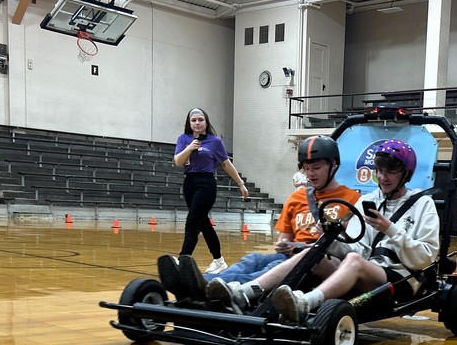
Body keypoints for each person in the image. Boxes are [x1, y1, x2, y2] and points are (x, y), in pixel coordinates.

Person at [207, 139, 440, 322]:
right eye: (379, 171)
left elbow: (425, 258)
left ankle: (304, 303)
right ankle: (245, 292)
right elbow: (357, 249)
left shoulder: (422, 204)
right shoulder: (368, 201)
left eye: (390, 172)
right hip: (366, 269)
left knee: (353, 261)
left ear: (406, 173)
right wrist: (328, 238)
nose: (382, 177)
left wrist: (390, 230)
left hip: (402, 280)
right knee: (313, 253)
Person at [158, 136, 358, 301]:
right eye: (306, 168)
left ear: (333, 165)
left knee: (269, 268)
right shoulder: (297, 197)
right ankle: (198, 282)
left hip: (322, 263)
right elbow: (284, 239)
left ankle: (212, 288)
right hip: (289, 257)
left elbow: (351, 249)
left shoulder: (351, 199)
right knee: (252, 260)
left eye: (316, 168)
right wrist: (284, 245)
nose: (310, 174)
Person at [171, 107, 248, 276]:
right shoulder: (184, 139)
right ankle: (219, 261)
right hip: (189, 183)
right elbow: (178, 161)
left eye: (200, 120)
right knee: (203, 224)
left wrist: (240, 184)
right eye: (194, 120)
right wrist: (190, 148)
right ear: (189, 123)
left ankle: (183, 258)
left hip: (206, 183)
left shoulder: (215, 141)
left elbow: (226, 164)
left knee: (193, 220)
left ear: (206, 122)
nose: (197, 123)